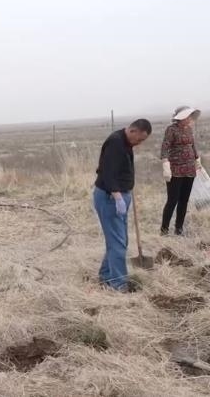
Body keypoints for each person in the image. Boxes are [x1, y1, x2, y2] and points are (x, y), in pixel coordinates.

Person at [93, 119, 153, 291]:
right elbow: (107, 172)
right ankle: (119, 285)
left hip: (119, 196)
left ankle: (106, 276)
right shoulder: (116, 143)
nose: (139, 143)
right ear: (133, 131)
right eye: (139, 139)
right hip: (110, 198)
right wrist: (117, 196)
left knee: (120, 241)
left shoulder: (126, 142)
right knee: (118, 243)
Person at [159, 106, 202, 236]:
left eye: (190, 117)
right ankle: (164, 230)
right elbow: (165, 147)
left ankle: (179, 228)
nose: (189, 119)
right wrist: (165, 163)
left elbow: (192, 145)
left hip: (189, 169)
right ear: (181, 117)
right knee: (172, 200)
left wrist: (197, 159)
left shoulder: (189, 129)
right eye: (188, 116)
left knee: (184, 200)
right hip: (176, 169)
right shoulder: (171, 129)